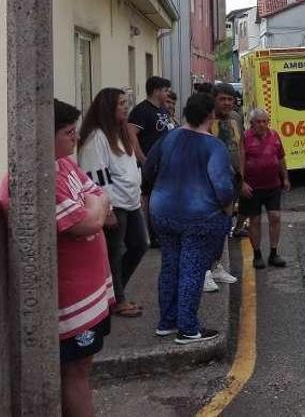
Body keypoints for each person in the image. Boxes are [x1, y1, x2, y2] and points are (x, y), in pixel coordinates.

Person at [0, 99, 115, 416]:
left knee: (83, 370)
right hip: (70, 303)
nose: (74, 138)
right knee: (74, 373)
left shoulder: (64, 163)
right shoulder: (31, 183)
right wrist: (96, 208)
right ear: (42, 136)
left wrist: (96, 206)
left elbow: (100, 195)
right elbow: (91, 220)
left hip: (89, 294)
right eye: (68, 132)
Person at [143, 93, 235, 344]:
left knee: (170, 265)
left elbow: (148, 170)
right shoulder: (214, 146)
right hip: (199, 216)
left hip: (162, 212)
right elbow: (223, 188)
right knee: (192, 269)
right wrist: (228, 211)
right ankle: (188, 328)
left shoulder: (168, 138)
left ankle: (167, 321)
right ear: (210, 116)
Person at [78, 88, 148, 319]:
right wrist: (106, 210)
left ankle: (114, 292)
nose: (126, 107)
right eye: (121, 103)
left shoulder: (121, 133)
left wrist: (136, 192)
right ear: (108, 107)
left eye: (126, 103)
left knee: (139, 245)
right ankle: (117, 299)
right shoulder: (96, 137)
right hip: (114, 205)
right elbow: (97, 177)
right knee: (114, 253)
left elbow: (128, 167)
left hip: (130, 201)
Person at [203, 82, 242, 292]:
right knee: (210, 227)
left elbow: (240, 146)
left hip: (232, 180)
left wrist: (242, 175)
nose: (227, 103)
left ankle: (216, 266)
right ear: (214, 100)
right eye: (222, 99)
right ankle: (205, 272)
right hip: (213, 182)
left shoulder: (236, 118)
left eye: (230, 99)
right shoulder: (207, 119)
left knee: (225, 226)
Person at [128, 76, 174, 248]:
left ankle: (161, 231)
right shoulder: (142, 110)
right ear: (156, 91)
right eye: (164, 90)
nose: (166, 94)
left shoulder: (161, 110)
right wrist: (142, 158)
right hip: (150, 163)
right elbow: (130, 133)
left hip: (164, 163)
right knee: (151, 198)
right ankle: (152, 234)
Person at [240, 108, 290, 269]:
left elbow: (281, 157)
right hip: (253, 188)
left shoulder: (274, 135)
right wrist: (241, 183)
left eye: (264, 121)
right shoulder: (245, 137)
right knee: (254, 220)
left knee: (275, 217)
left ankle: (274, 253)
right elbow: (240, 161)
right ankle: (257, 254)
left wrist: (286, 178)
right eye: (258, 122)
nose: (262, 125)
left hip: (273, 185)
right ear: (252, 123)